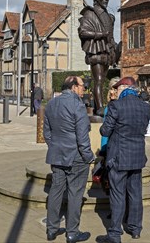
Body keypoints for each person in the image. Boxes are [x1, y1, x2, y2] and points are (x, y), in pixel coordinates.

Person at [97, 76, 150, 243]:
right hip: (137, 156)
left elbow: (105, 131)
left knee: (117, 194)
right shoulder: (144, 107)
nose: (115, 92)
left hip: (119, 157)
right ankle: (135, 229)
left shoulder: (116, 106)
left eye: (117, 89)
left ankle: (114, 233)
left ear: (124, 88)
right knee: (135, 193)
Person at [44, 76, 95, 243]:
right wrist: (89, 156)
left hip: (57, 154)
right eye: (82, 86)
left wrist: (56, 147)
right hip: (76, 156)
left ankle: (51, 230)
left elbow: (47, 133)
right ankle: (72, 232)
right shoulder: (77, 105)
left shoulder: (51, 103)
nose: (84, 89)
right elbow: (82, 136)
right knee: (75, 193)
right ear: (73, 87)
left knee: (56, 191)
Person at [78, 0, 121, 116]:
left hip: (107, 51)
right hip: (96, 49)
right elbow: (83, 32)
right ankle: (100, 107)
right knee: (99, 80)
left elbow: (111, 36)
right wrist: (100, 34)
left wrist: (115, 47)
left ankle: (98, 107)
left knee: (102, 82)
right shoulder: (90, 14)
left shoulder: (108, 16)